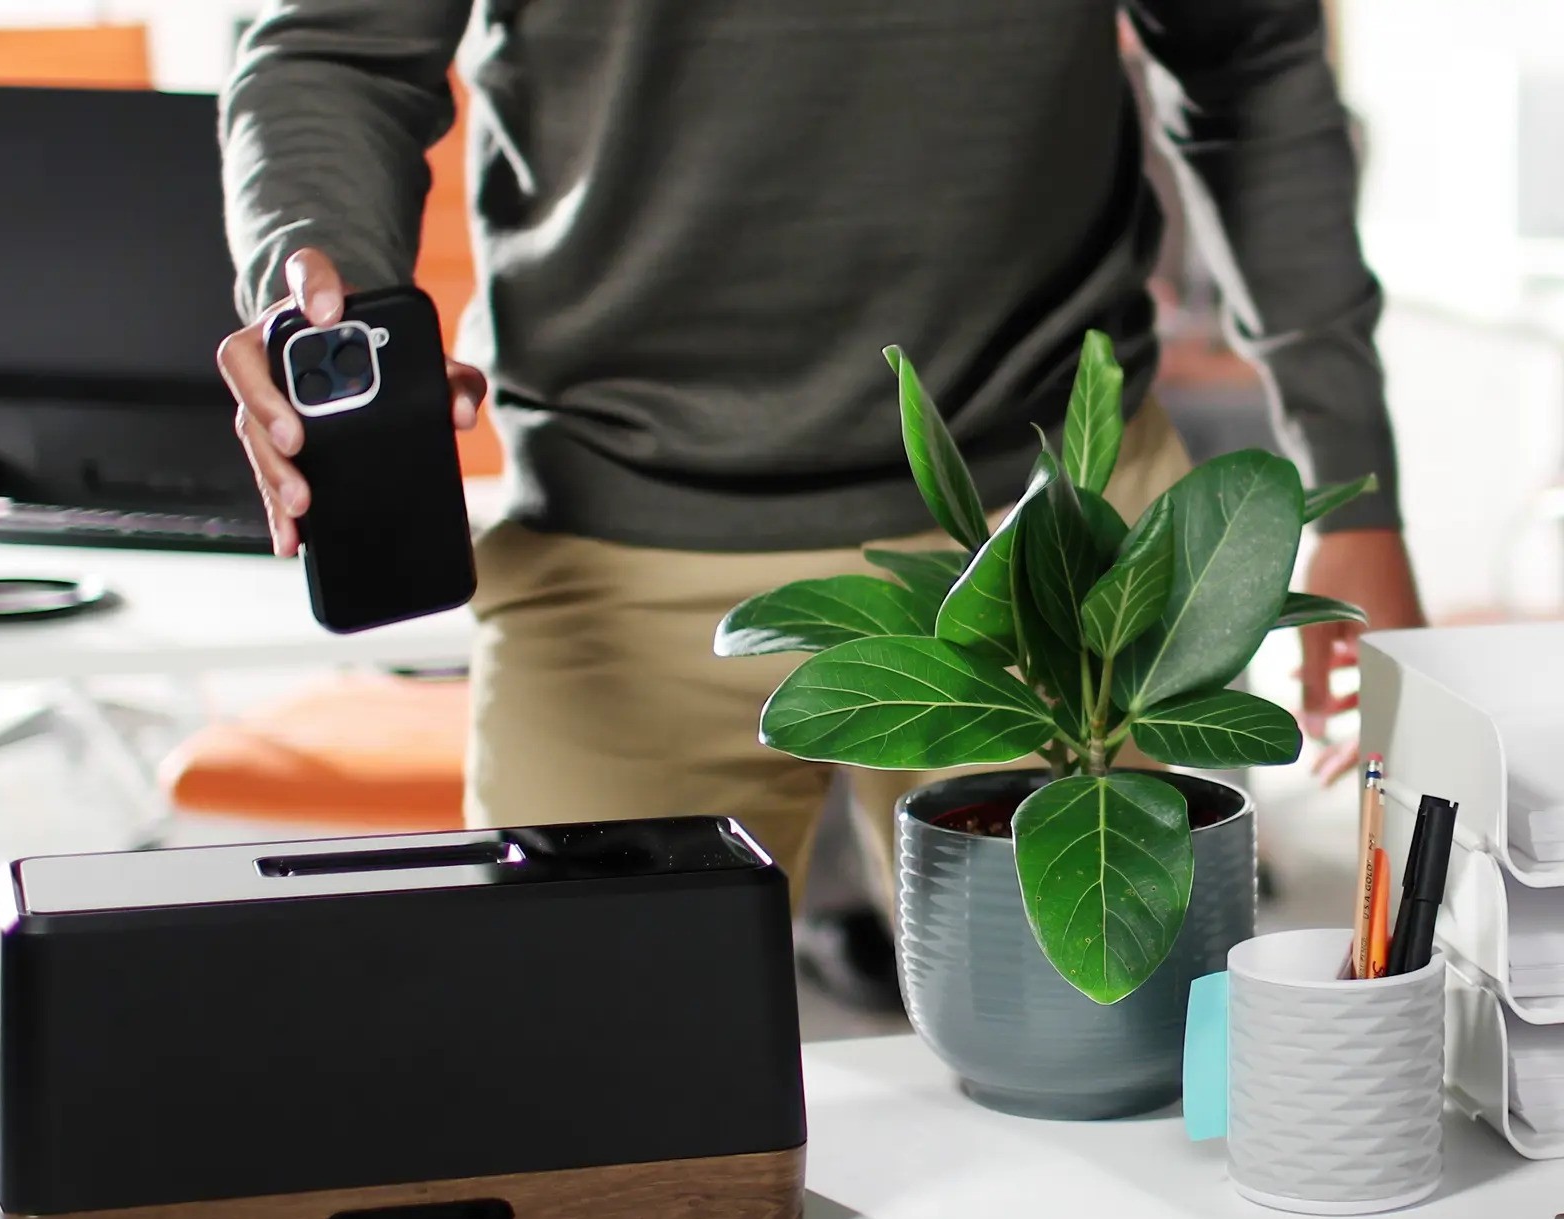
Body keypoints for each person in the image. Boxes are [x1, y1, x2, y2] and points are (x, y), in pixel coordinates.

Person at [214, 2, 1424, 918]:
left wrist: (1351, 481)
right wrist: (313, 282)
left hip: (1057, 546)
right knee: (595, 1139)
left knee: (1123, 1122)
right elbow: (333, 46)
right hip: (619, 543)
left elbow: (1248, 59)